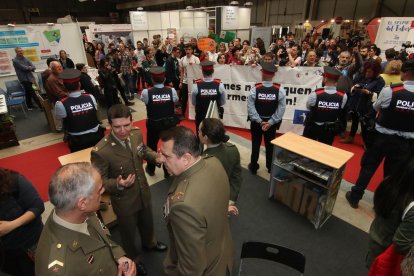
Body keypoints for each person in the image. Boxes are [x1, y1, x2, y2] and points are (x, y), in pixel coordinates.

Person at [91, 104, 167, 275]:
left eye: (126, 125)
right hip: (123, 199)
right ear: (110, 125)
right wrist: (118, 184)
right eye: (117, 126)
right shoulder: (101, 151)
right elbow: (99, 181)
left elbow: (143, 150)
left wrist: (157, 157)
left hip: (143, 190)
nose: (123, 130)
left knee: (148, 221)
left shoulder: (136, 133)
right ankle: (134, 259)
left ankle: (150, 243)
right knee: (128, 233)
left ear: (132, 121)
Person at [35, 163, 136, 276]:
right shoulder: (58, 269)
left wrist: (119, 255)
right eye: (99, 190)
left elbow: (101, 239)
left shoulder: (77, 212)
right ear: (82, 203)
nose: (103, 191)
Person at [158, 126, 233, 275]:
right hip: (222, 254)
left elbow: (192, 268)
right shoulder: (214, 162)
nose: (160, 159)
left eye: (166, 156)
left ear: (186, 158)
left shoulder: (184, 207)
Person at [345, 58, 414, 208]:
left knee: (368, 168)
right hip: (404, 143)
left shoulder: (391, 90)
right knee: (391, 175)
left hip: (381, 138)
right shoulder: (391, 89)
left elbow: (375, 107)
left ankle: (355, 196)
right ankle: (382, 204)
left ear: (406, 73)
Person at [366, 157, 414, 269]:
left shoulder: (389, 182)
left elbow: (378, 207)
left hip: (377, 238)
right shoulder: (411, 206)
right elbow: (401, 244)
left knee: (373, 268)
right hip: (388, 253)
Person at [0, 168, 44, 276]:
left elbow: (37, 206)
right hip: (6, 255)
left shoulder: (13, 180)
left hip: (31, 244)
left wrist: (11, 225)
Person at [247, 62, 286, 174]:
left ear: (262, 73)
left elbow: (250, 107)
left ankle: (253, 166)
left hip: (256, 123)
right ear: (273, 75)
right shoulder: (280, 89)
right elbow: (281, 109)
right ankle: (270, 167)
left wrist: (260, 121)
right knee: (270, 146)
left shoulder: (255, 89)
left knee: (255, 144)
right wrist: (271, 122)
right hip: (271, 124)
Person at [140, 67, 178, 177]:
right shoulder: (172, 90)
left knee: (151, 147)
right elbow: (175, 101)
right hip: (169, 124)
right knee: (169, 146)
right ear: (164, 78)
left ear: (152, 79)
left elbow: (144, 101)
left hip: (154, 124)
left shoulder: (146, 92)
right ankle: (168, 171)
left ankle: (151, 169)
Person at [199, 118, 241, 215]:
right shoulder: (233, 150)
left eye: (199, 131)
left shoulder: (203, 161)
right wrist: (231, 199)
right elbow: (236, 177)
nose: (198, 133)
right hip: (227, 196)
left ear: (205, 137)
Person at [55, 69, 104, 152]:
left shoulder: (60, 104)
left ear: (64, 85)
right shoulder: (90, 97)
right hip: (96, 136)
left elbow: (59, 118)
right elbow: (95, 110)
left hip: (77, 140)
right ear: (79, 84)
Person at [341, 60, 385, 145]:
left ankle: (366, 143)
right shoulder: (363, 76)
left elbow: (380, 95)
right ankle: (351, 137)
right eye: (366, 71)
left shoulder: (380, 81)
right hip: (356, 103)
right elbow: (357, 83)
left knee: (365, 125)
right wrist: (357, 86)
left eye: (369, 72)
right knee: (354, 121)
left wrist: (369, 93)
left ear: (375, 72)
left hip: (368, 106)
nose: (367, 73)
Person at [303, 66, 348, 145]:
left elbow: (308, 107)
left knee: (308, 149)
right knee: (325, 152)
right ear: (337, 81)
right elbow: (341, 109)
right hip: (330, 129)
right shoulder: (343, 96)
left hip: (313, 128)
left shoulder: (315, 94)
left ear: (325, 79)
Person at [191, 61, 226, 137]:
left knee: (200, 134)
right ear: (213, 71)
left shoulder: (196, 85)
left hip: (201, 116)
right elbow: (223, 102)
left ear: (202, 71)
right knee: (214, 135)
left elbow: (194, 103)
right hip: (215, 117)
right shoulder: (220, 85)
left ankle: (200, 147)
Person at [179, 44, 200, 118]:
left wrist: (193, 66)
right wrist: (181, 82)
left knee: (195, 98)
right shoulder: (182, 59)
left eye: (189, 49)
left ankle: (196, 113)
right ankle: (182, 113)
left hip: (194, 82)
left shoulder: (196, 59)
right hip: (185, 81)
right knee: (184, 98)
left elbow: (199, 71)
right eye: (186, 49)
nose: (187, 51)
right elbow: (181, 71)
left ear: (192, 50)